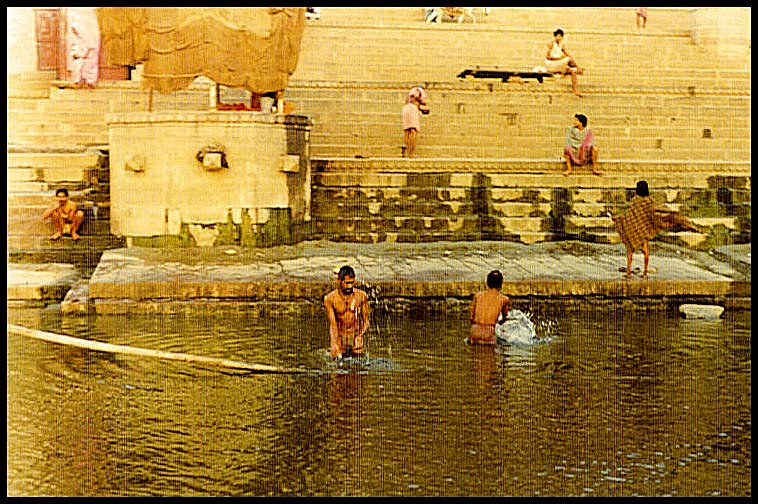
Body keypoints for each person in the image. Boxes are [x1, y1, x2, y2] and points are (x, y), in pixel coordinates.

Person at [612, 180, 699, 279]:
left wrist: (618, 218)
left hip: (633, 229)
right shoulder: (649, 202)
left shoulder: (634, 201)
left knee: (630, 252)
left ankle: (628, 273)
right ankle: (645, 273)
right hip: (644, 229)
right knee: (645, 250)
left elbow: (628, 215)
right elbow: (658, 211)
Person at [324, 265, 370, 359]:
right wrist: (334, 343)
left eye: (352, 283)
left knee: (359, 370)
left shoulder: (361, 296)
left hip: (355, 338)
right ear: (339, 281)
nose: (350, 286)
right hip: (341, 339)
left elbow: (366, 321)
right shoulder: (330, 299)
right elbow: (333, 325)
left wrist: (360, 336)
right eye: (347, 283)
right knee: (339, 371)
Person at [469, 270, 510, 345]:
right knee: (491, 355)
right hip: (488, 333)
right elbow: (504, 320)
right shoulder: (504, 299)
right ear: (501, 285)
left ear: (487, 283)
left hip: (474, 331)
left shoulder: (477, 296)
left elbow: (471, 318)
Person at [67, 8, 100, 88]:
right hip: (77, 22)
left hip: (89, 23)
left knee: (92, 51)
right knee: (78, 54)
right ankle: (77, 80)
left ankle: (90, 80)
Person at [544, 28, 583, 97]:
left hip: (559, 64)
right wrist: (559, 58)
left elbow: (567, 54)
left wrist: (576, 65)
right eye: (558, 36)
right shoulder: (551, 43)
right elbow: (548, 57)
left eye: (561, 36)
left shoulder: (562, 45)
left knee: (572, 71)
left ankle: (575, 90)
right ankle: (574, 69)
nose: (559, 38)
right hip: (551, 64)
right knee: (567, 59)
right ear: (555, 36)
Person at [402, 85, 429, 158]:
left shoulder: (411, 92)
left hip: (405, 109)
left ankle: (408, 152)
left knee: (407, 132)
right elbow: (418, 99)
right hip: (412, 109)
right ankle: (411, 153)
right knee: (413, 131)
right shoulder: (419, 91)